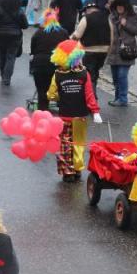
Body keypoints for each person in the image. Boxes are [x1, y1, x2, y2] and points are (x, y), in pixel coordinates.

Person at [48, 40, 101, 182]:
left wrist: (61, 96)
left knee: (65, 144)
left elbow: (50, 95)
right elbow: (89, 94)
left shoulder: (57, 74)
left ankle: (67, 171)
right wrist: (95, 112)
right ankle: (77, 169)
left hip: (64, 114)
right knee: (78, 143)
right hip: (80, 116)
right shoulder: (84, 74)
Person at [30, 9, 68, 111]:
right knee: (59, 88)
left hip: (40, 64)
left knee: (42, 90)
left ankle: (43, 112)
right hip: (57, 64)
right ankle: (63, 110)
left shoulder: (38, 33)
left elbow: (33, 49)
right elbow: (67, 49)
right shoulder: (63, 33)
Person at [71, 1, 111, 96]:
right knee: (95, 73)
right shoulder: (108, 18)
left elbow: (77, 35)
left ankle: (91, 96)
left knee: (88, 74)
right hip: (104, 51)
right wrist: (110, 49)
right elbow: (113, 35)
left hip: (89, 51)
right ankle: (92, 94)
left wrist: (69, 39)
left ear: (88, 10)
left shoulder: (86, 18)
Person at [0, 0, 28, 86]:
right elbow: (25, 26)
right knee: (11, 57)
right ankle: (7, 78)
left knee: (2, 56)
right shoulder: (20, 11)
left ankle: (2, 74)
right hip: (15, 37)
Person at [107, 0, 137, 107]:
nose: (120, 7)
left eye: (122, 5)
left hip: (126, 51)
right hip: (113, 51)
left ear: (126, 6)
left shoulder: (132, 17)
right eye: (118, 5)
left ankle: (123, 99)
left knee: (122, 75)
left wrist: (126, 24)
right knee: (115, 77)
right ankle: (117, 97)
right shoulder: (111, 17)